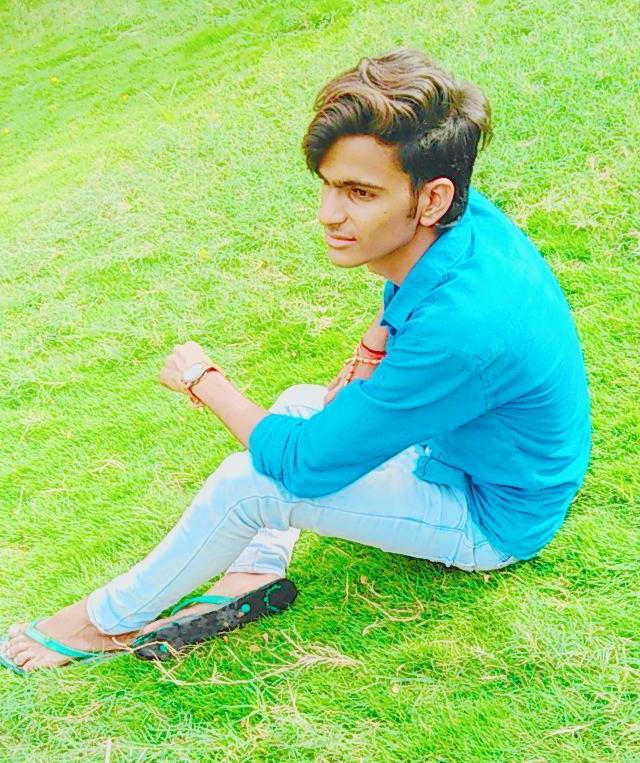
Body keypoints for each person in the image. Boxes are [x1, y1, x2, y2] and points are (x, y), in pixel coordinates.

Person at [0, 48, 592, 674]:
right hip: (467, 451)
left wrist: (205, 381)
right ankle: (254, 570)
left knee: (250, 483)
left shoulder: (463, 328)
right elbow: (414, 294)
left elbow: (308, 467)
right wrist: (374, 345)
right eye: (330, 186)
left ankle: (103, 623)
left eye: (360, 193)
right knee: (299, 404)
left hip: (490, 514)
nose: (329, 215)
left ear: (432, 199)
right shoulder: (467, 222)